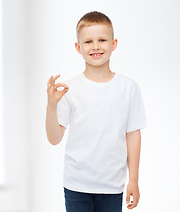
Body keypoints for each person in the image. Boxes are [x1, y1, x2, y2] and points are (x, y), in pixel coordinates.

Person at [45, 11, 147, 212]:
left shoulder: (128, 88)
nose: (96, 46)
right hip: (76, 185)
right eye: (88, 41)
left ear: (114, 43)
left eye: (102, 40)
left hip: (112, 185)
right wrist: (51, 105)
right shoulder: (69, 89)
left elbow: (133, 135)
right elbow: (54, 138)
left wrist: (133, 180)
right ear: (78, 47)